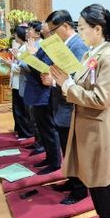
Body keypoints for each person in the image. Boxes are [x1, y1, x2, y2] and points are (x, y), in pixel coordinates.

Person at [49, 4, 110, 218]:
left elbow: (101, 98)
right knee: (91, 178)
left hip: (100, 129)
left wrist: (68, 85)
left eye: (82, 28)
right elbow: (82, 87)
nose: (79, 32)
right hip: (86, 126)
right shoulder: (91, 55)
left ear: (98, 29)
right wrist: (64, 82)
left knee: (102, 180)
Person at [41, 10, 89, 202]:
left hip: (70, 108)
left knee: (74, 151)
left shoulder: (78, 46)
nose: (51, 35)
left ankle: (80, 189)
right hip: (61, 105)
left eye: (53, 31)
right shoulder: (66, 45)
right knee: (67, 149)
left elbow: (79, 79)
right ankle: (72, 180)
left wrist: (53, 82)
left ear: (66, 26)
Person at [20, 21, 59, 172]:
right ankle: (49, 157)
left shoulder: (51, 45)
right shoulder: (44, 44)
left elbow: (45, 69)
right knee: (43, 128)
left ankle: (55, 162)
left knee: (49, 128)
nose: (43, 25)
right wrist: (32, 56)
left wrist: (31, 56)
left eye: (46, 23)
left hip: (44, 91)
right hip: (37, 90)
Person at [3, 26, 33, 140]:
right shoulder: (20, 47)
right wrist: (11, 63)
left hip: (22, 82)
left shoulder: (26, 48)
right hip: (16, 82)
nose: (14, 36)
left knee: (22, 109)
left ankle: (26, 133)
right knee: (17, 109)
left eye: (15, 34)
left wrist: (11, 64)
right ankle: (20, 131)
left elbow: (23, 68)